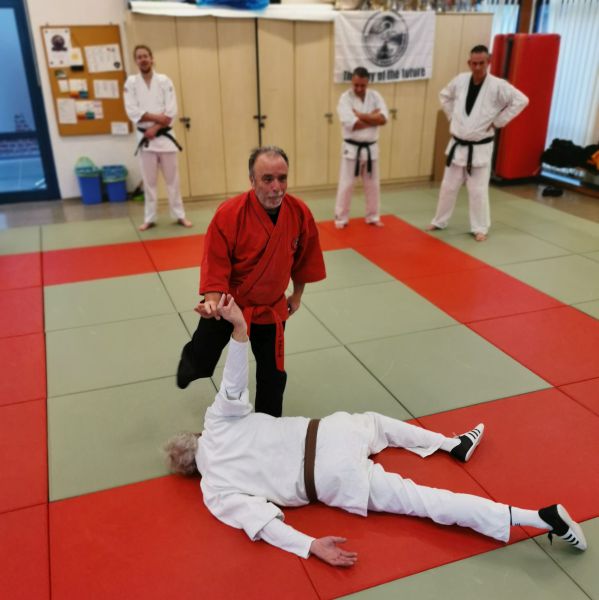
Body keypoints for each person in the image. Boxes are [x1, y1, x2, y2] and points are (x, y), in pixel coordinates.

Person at [165, 295, 587, 567]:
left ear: (192, 472)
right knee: (378, 423)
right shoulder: (216, 424)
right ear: (195, 437)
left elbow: (260, 521)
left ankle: (535, 518)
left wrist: (310, 546)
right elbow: (235, 381)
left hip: (328, 478)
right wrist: (240, 330)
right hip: (329, 433)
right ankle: (450, 444)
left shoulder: (214, 491)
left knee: (425, 502)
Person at [176, 146, 326, 417]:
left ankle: (269, 423)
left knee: (273, 374)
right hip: (228, 302)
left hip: (270, 308)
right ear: (252, 180)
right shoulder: (230, 214)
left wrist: (296, 295)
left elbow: (305, 260)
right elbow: (215, 262)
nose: (276, 187)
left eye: (282, 178)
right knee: (202, 356)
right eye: (267, 179)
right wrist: (212, 302)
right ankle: (192, 364)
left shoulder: (299, 213)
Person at [427, 45, 529, 241]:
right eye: (474, 63)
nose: (477, 67)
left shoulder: (497, 85)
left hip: (479, 147)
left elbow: (522, 100)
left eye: (481, 63)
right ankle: (439, 221)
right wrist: (452, 117)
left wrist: (498, 121)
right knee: (448, 187)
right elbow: (444, 96)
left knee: (478, 191)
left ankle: (480, 228)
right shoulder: (460, 80)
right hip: (458, 145)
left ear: (488, 62)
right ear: (469, 63)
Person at [124, 44, 192, 232]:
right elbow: (132, 112)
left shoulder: (164, 81)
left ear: (152, 58)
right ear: (136, 61)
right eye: (139, 57)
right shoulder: (131, 83)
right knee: (149, 182)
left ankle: (179, 215)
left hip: (165, 138)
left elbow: (170, 112)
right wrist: (157, 118)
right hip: (145, 139)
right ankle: (149, 218)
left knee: (173, 181)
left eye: (146, 56)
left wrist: (154, 127)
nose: (143, 59)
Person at [334, 66, 388, 229]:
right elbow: (353, 125)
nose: (358, 88)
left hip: (371, 149)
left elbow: (383, 120)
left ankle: (373, 216)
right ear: (352, 81)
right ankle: (341, 218)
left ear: (367, 82)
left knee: (373, 185)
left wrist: (360, 115)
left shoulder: (375, 96)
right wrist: (373, 118)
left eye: (362, 85)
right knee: (346, 184)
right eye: (356, 85)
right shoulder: (345, 98)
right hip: (351, 148)